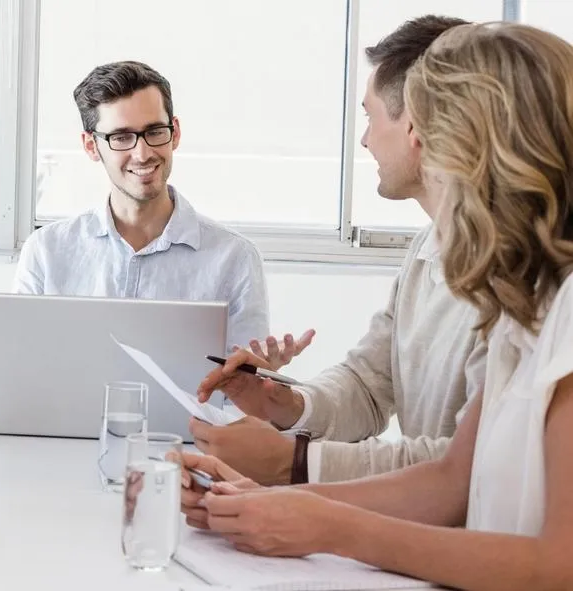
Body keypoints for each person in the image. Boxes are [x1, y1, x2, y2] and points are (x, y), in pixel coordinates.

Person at [179, 22, 573, 589]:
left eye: (433, 141)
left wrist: (323, 518)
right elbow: (451, 480)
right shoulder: (520, 300)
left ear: (479, 152)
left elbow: (559, 566)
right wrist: (275, 498)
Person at [190, 15, 488, 486]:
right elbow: (369, 386)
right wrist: (283, 403)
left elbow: (471, 465)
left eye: (370, 117)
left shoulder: (519, 276)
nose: (365, 139)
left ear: (415, 123)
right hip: (417, 520)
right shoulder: (425, 250)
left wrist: (296, 463)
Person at [13, 61, 271, 354]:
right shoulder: (46, 252)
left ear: (175, 132)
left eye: (155, 131)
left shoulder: (235, 259)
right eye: (121, 137)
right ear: (90, 146)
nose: (143, 153)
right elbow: (23, 371)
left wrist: (263, 387)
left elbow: (246, 390)